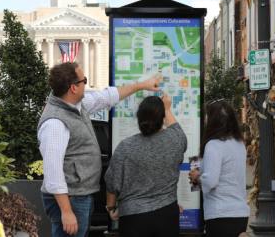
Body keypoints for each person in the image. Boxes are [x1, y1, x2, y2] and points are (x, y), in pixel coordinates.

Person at [38, 62, 160, 237]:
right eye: (84, 80)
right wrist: (66, 211)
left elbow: (106, 97)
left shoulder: (75, 105)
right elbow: (53, 172)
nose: (86, 84)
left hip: (79, 196)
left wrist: (142, 85)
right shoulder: (55, 123)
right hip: (70, 199)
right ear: (73, 87)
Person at [105, 92, 187, 237]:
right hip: (166, 215)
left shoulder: (125, 146)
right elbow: (176, 128)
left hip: (133, 218)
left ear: (139, 119)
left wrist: (111, 207)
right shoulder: (176, 139)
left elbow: (112, 182)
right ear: (162, 119)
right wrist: (166, 108)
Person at [188, 99, 250, 237]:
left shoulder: (214, 145)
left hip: (221, 214)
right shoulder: (239, 143)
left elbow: (210, 181)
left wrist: (197, 177)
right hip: (240, 213)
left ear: (211, 119)